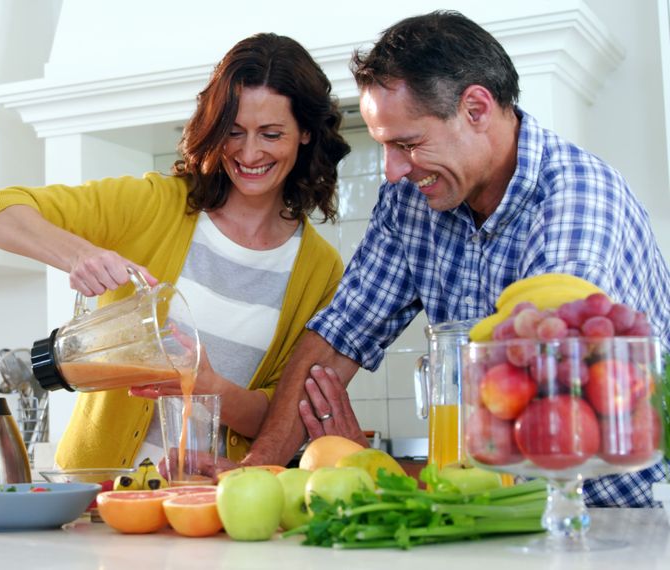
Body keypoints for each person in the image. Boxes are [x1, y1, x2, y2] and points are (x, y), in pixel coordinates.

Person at [239, 11, 670, 508]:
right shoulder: (413, 203)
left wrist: (381, 470)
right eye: (385, 146)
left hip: (619, 519)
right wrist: (260, 470)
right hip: (495, 514)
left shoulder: (575, 200)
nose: (394, 171)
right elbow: (336, 338)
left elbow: (550, 422)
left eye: (408, 144)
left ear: (476, 108)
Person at [0, 33, 351, 471]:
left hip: (216, 503)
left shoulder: (318, 268)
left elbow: (282, 417)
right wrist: (80, 254)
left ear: (304, 133)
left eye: (271, 134)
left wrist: (210, 386)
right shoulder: (154, 204)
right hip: (103, 495)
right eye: (234, 132)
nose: (249, 152)